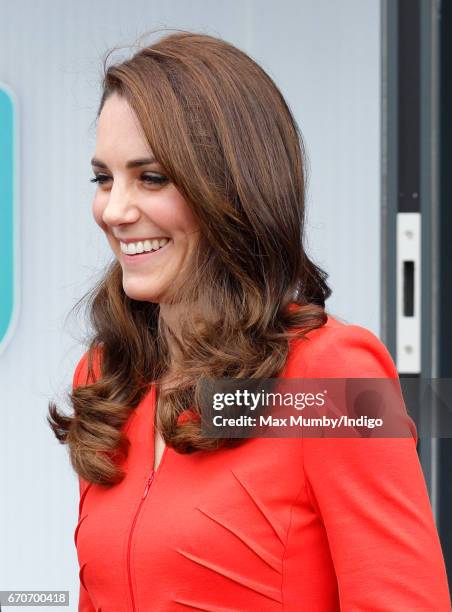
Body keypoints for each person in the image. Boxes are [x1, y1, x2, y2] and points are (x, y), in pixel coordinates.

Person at [47, 30, 451, 611]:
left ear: (230, 189)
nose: (115, 210)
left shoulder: (329, 374)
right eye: (104, 178)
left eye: (151, 177)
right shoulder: (108, 376)